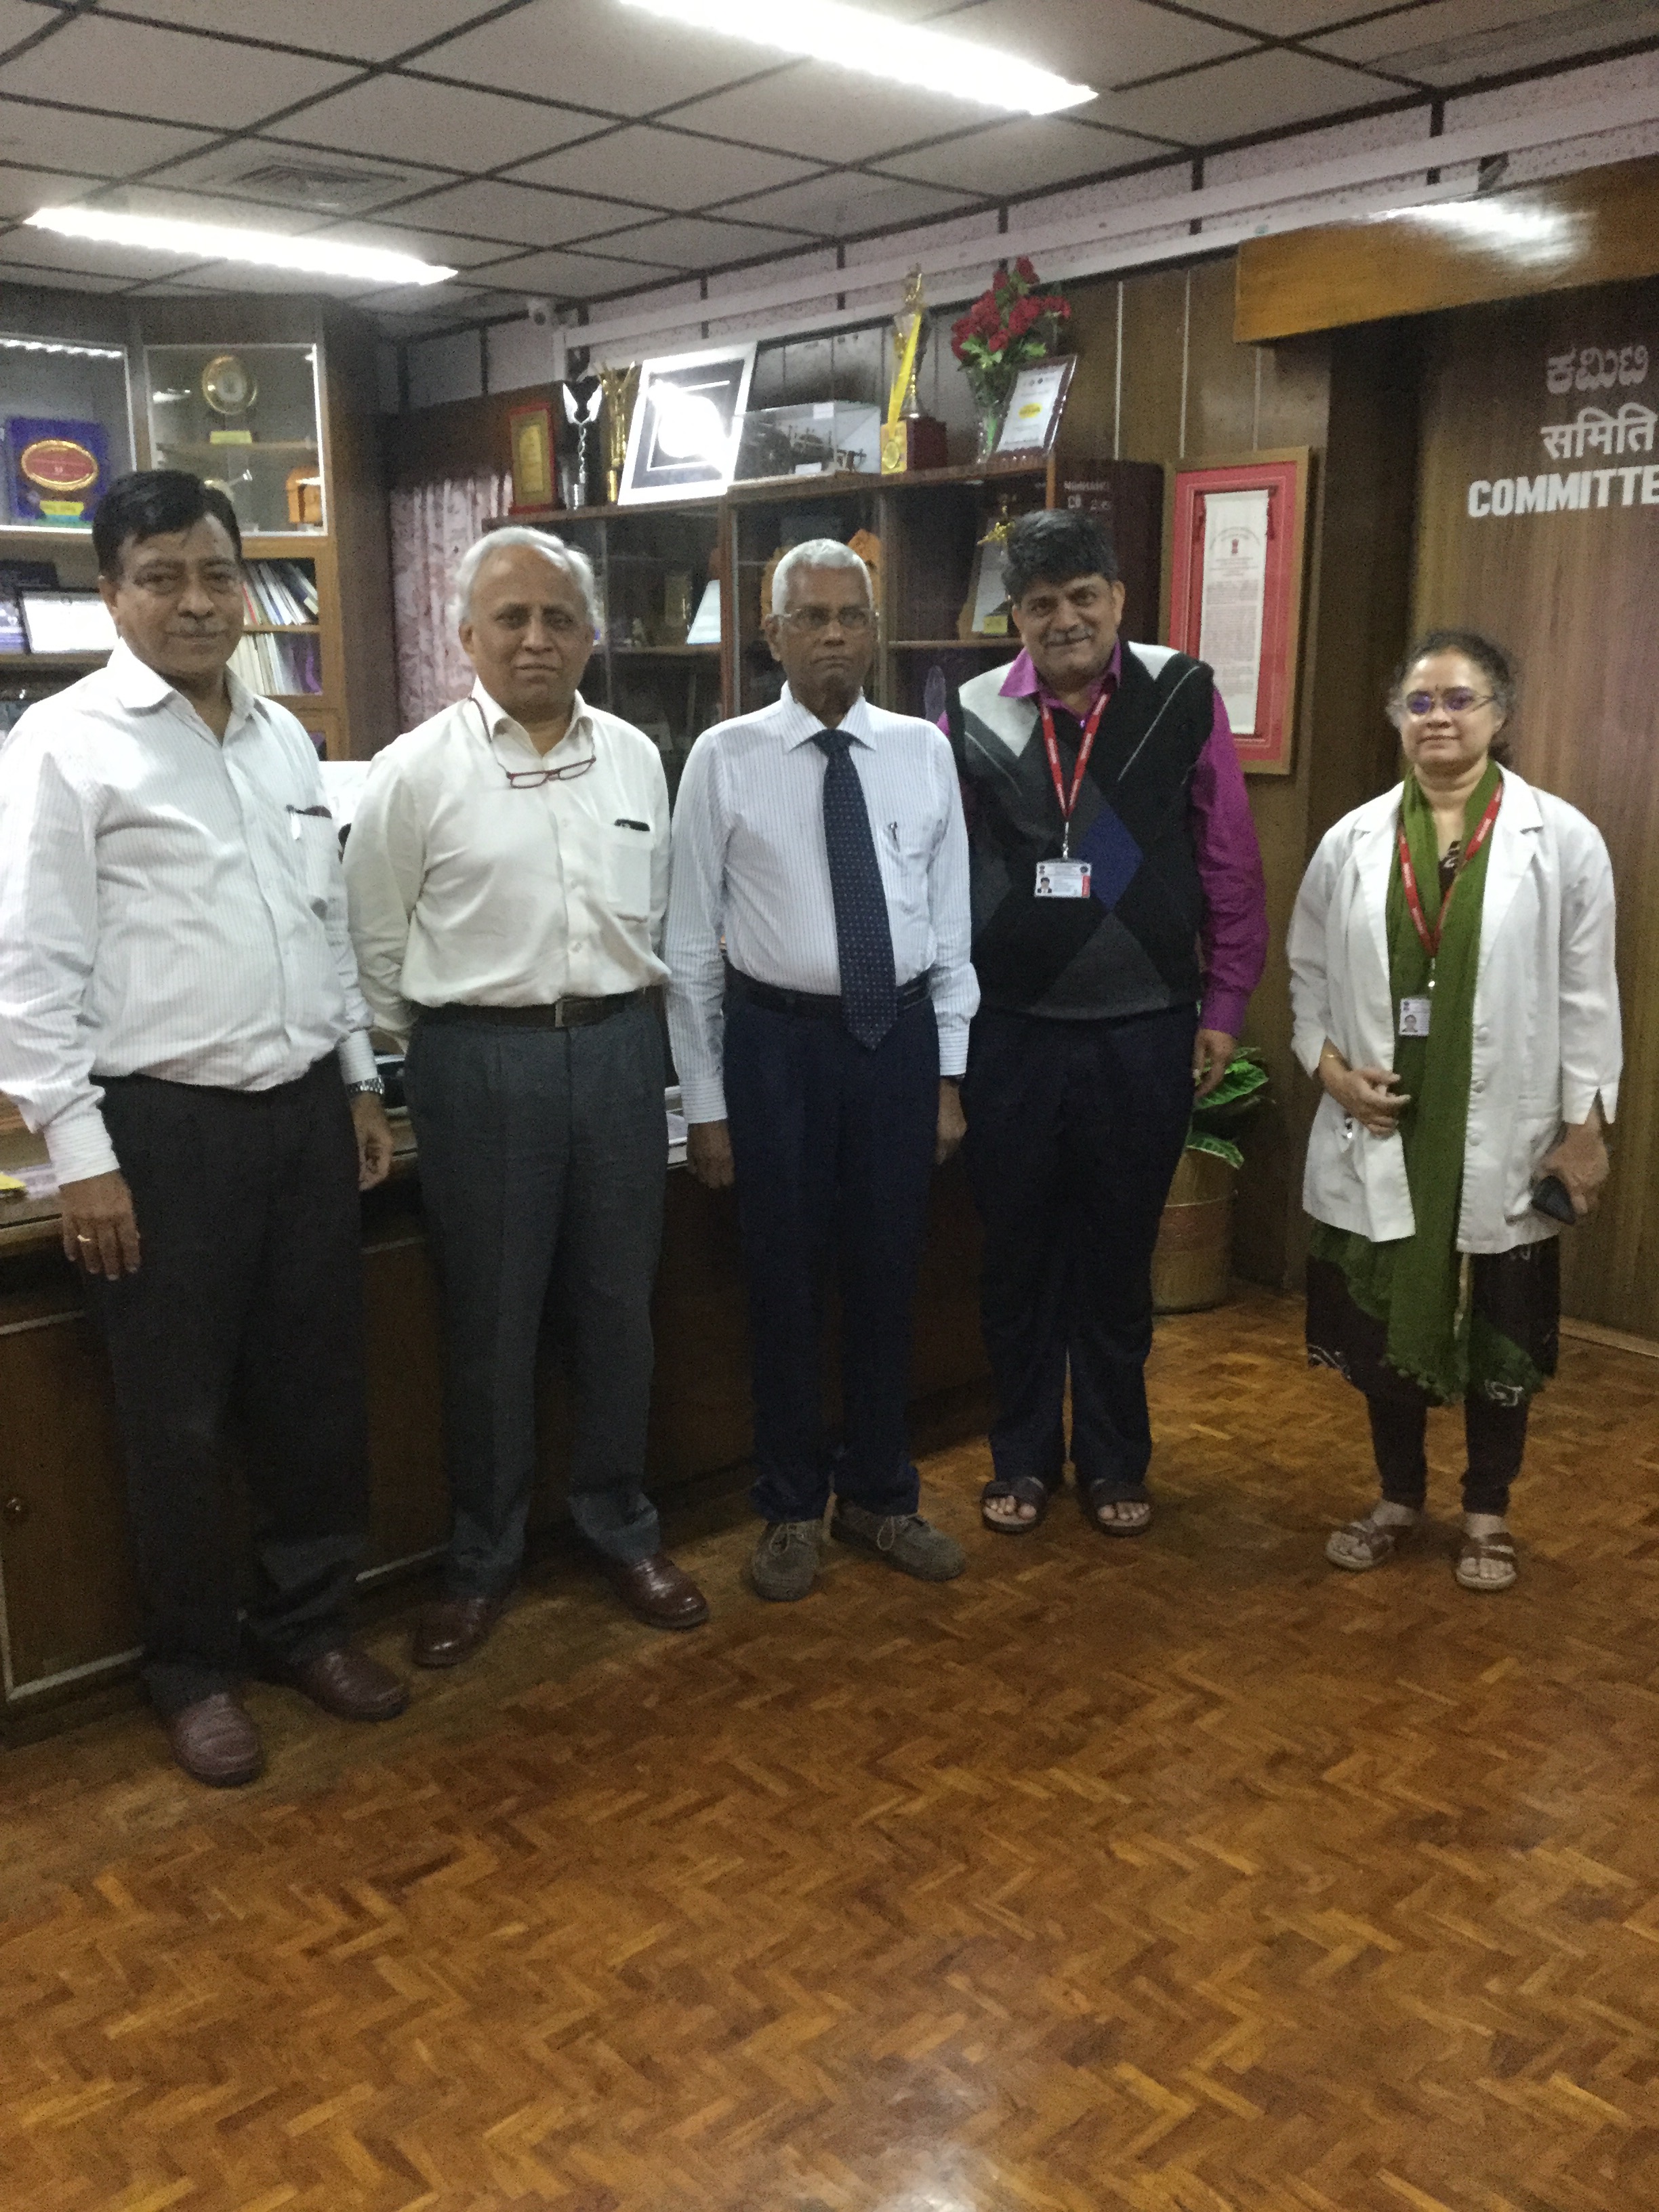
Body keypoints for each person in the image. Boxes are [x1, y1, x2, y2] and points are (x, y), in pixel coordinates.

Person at [0, 470, 409, 1788]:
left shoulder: (282, 739)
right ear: (112, 594)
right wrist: (82, 1156)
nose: (195, 600)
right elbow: (29, 972)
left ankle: (309, 1627)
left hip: (300, 1116)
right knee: (174, 1421)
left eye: (217, 573)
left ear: (245, 587)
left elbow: (323, 925)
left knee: (313, 1394)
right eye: (161, 576)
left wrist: (356, 1077)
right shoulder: (61, 746)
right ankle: (193, 1670)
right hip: (160, 1133)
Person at [345, 527, 708, 1666]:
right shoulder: (414, 771)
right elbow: (370, 945)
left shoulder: (636, 757)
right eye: (512, 618)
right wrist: (445, 1049)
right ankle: (481, 1561)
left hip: (619, 1052)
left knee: (618, 1313)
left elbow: (656, 914)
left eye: (559, 618)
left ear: (592, 635)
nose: (537, 638)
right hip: (479, 1064)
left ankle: (621, 1527)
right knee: (492, 1328)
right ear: (468, 636)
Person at [943, 508, 1266, 1540]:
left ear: (1119, 598)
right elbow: (941, 876)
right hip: (1012, 1031)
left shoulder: (1181, 693)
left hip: (1146, 1025)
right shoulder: (969, 712)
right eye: (1041, 603)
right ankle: (1024, 1456)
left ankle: (1117, 1459)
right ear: (1016, 615)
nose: (1066, 620)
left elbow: (1228, 855)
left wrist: (1226, 1002)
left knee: (1120, 1258)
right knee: (1018, 1258)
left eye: (1084, 596)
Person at [666, 539, 978, 1602]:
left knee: (889, 1278)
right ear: (774, 635)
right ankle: (792, 1506)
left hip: (896, 1045)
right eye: (812, 617)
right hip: (778, 1051)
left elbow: (950, 927)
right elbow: (688, 946)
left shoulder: (922, 752)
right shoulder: (724, 758)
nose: (834, 635)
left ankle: (881, 1497)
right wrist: (707, 1105)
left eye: (852, 616)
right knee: (784, 1285)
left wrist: (947, 1075)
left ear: (875, 631)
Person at [1289, 630, 1620, 1593]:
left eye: (1459, 699)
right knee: (1384, 1318)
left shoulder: (1561, 839)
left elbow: (1588, 992)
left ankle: (1487, 1512)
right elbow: (1308, 972)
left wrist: (1585, 1128)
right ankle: (1398, 1497)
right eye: (1420, 701)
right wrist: (1331, 1072)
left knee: (1497, 1327)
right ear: (1398, 718)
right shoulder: (1352, 840)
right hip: (1383, 1124)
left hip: (1510, 1128)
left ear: (1499, 715)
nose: (1438, 717)